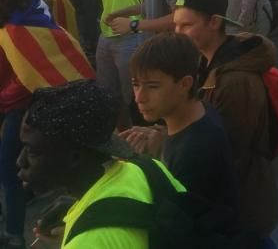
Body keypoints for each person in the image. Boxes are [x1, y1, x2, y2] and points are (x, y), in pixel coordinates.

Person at [17, 80, 183, 249]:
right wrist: (80, 212)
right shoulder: (149, 168)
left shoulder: (88, 242)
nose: (20, 161)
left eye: (32, 151)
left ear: (74, 157)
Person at [0, 0, 94, 247]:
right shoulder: (25, 6)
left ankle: (16, 231)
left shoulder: (20, 20)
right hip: (22, 99)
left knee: (10, 166)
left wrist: (2, 98)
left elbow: (28, 71)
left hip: (28, 102)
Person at [173, 0, 278, 240]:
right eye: (175, 24)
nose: (177, 33)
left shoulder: (235, 82)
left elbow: (229, 153)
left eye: (186, 25)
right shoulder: (206, 59)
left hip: (244, 205)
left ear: (214, 22)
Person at [122, 33, 238, 214]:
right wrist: (162, 141)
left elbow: (174, 221)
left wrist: (149, 164)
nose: (139, 97)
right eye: (136, 84)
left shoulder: (193, 153)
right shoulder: (200, 110)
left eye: (153, 86)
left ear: (185, 84)